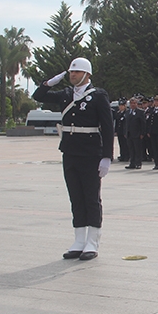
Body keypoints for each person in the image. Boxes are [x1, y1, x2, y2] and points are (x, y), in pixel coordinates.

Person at [32, 57, 113, 260]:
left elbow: (108, 127)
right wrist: (50, 82)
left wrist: (107, 157)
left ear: (87, 74)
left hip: (90, 152)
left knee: (91, 198)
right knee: (76, 197)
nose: (72, 75)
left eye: (76, 72)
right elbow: (38, 96)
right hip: (70, 151)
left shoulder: (98, 96)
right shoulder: (65, 94)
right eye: (70, 72)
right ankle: (79, 240)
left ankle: (92, 242)